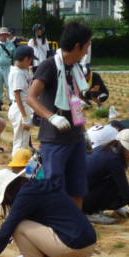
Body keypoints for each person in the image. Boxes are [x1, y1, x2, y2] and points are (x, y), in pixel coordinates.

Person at [26, 21, 93, 206]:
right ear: (78, 46)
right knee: (54, 186)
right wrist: (51, 116)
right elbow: (31, 97)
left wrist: (83, 130)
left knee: (77, 187)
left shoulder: (76, 68)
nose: (87, 51)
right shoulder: (49, 66)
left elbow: (76, 101)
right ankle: (56, 226)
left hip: (75, 137)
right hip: (55, 139)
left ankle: (76, 224)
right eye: (86, 46)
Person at [83, 129, 129, 224]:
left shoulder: (105, 149)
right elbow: (124, 189)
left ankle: (92, 210)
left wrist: (118, 206)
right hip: (84, 197)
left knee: (114, 182)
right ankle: (90, 213)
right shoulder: (114, 160)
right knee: (114, 183)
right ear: (125, 148)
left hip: (78, 195)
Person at [8, 45, 35, 156]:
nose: (31, 63)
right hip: (20, 108)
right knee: (20, 143)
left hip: (22, 107)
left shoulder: (21, 70)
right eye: (31, 60)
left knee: (23, 140)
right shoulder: (17, 73)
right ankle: (17, 166)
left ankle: (19, 164)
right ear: (26, 59)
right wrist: (24, 116)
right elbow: (17, 94)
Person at [0, 26, 16, 111]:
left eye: (6, 34)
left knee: (9, 85)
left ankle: (11, 101)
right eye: (2, 34)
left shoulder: (11, 44)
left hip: (8, 67)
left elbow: (14, 57)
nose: (4, 36)